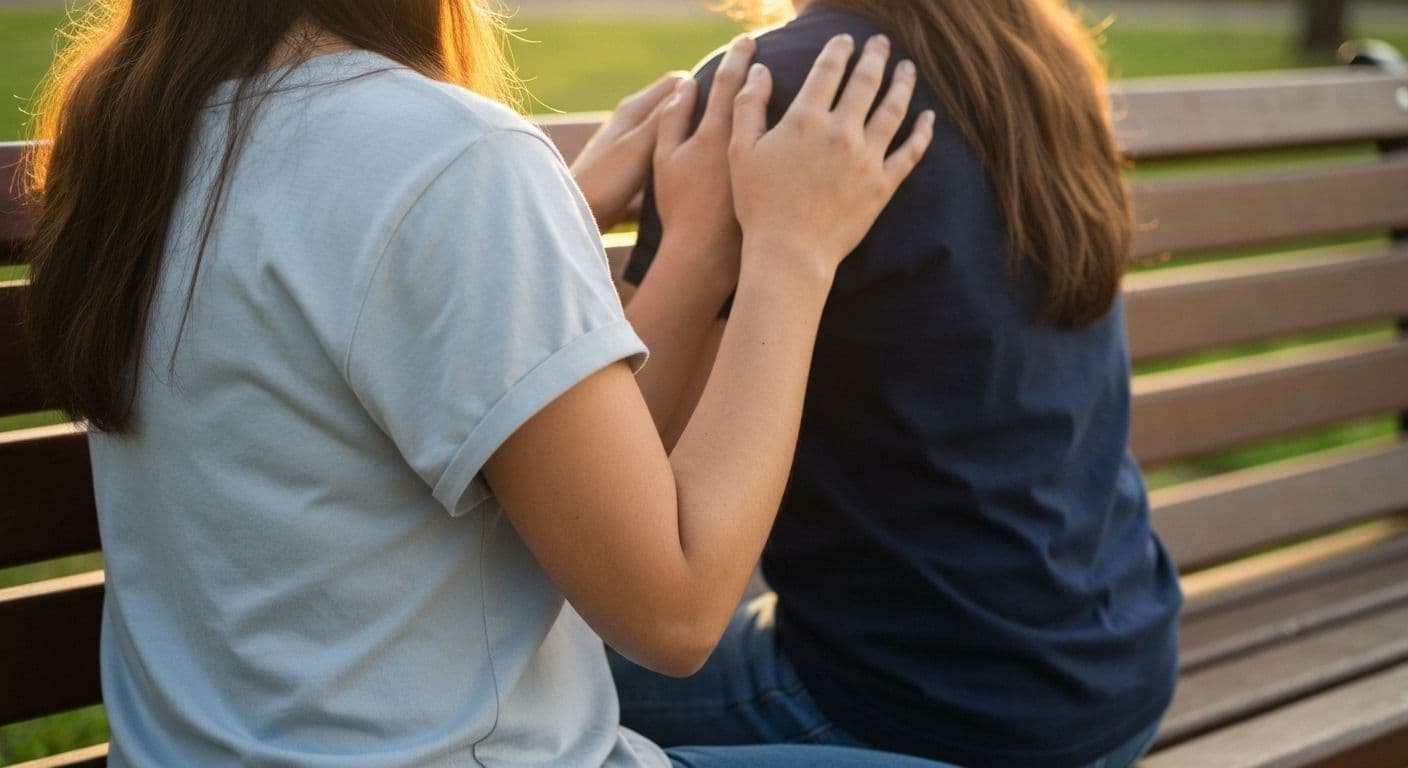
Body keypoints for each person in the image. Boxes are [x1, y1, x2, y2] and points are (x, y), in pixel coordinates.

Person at [21, 1, 942, 765]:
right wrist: (793, 249)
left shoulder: (145, 137)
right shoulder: (447, 156)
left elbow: (565, 481)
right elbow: (677, 609)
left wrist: (688, 252)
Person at [612, 2, 1184, 767]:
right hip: (1117, 674)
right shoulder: (1032, 52)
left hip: (916, 712)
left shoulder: (777, 95)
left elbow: (616, 478)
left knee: (525, 686)